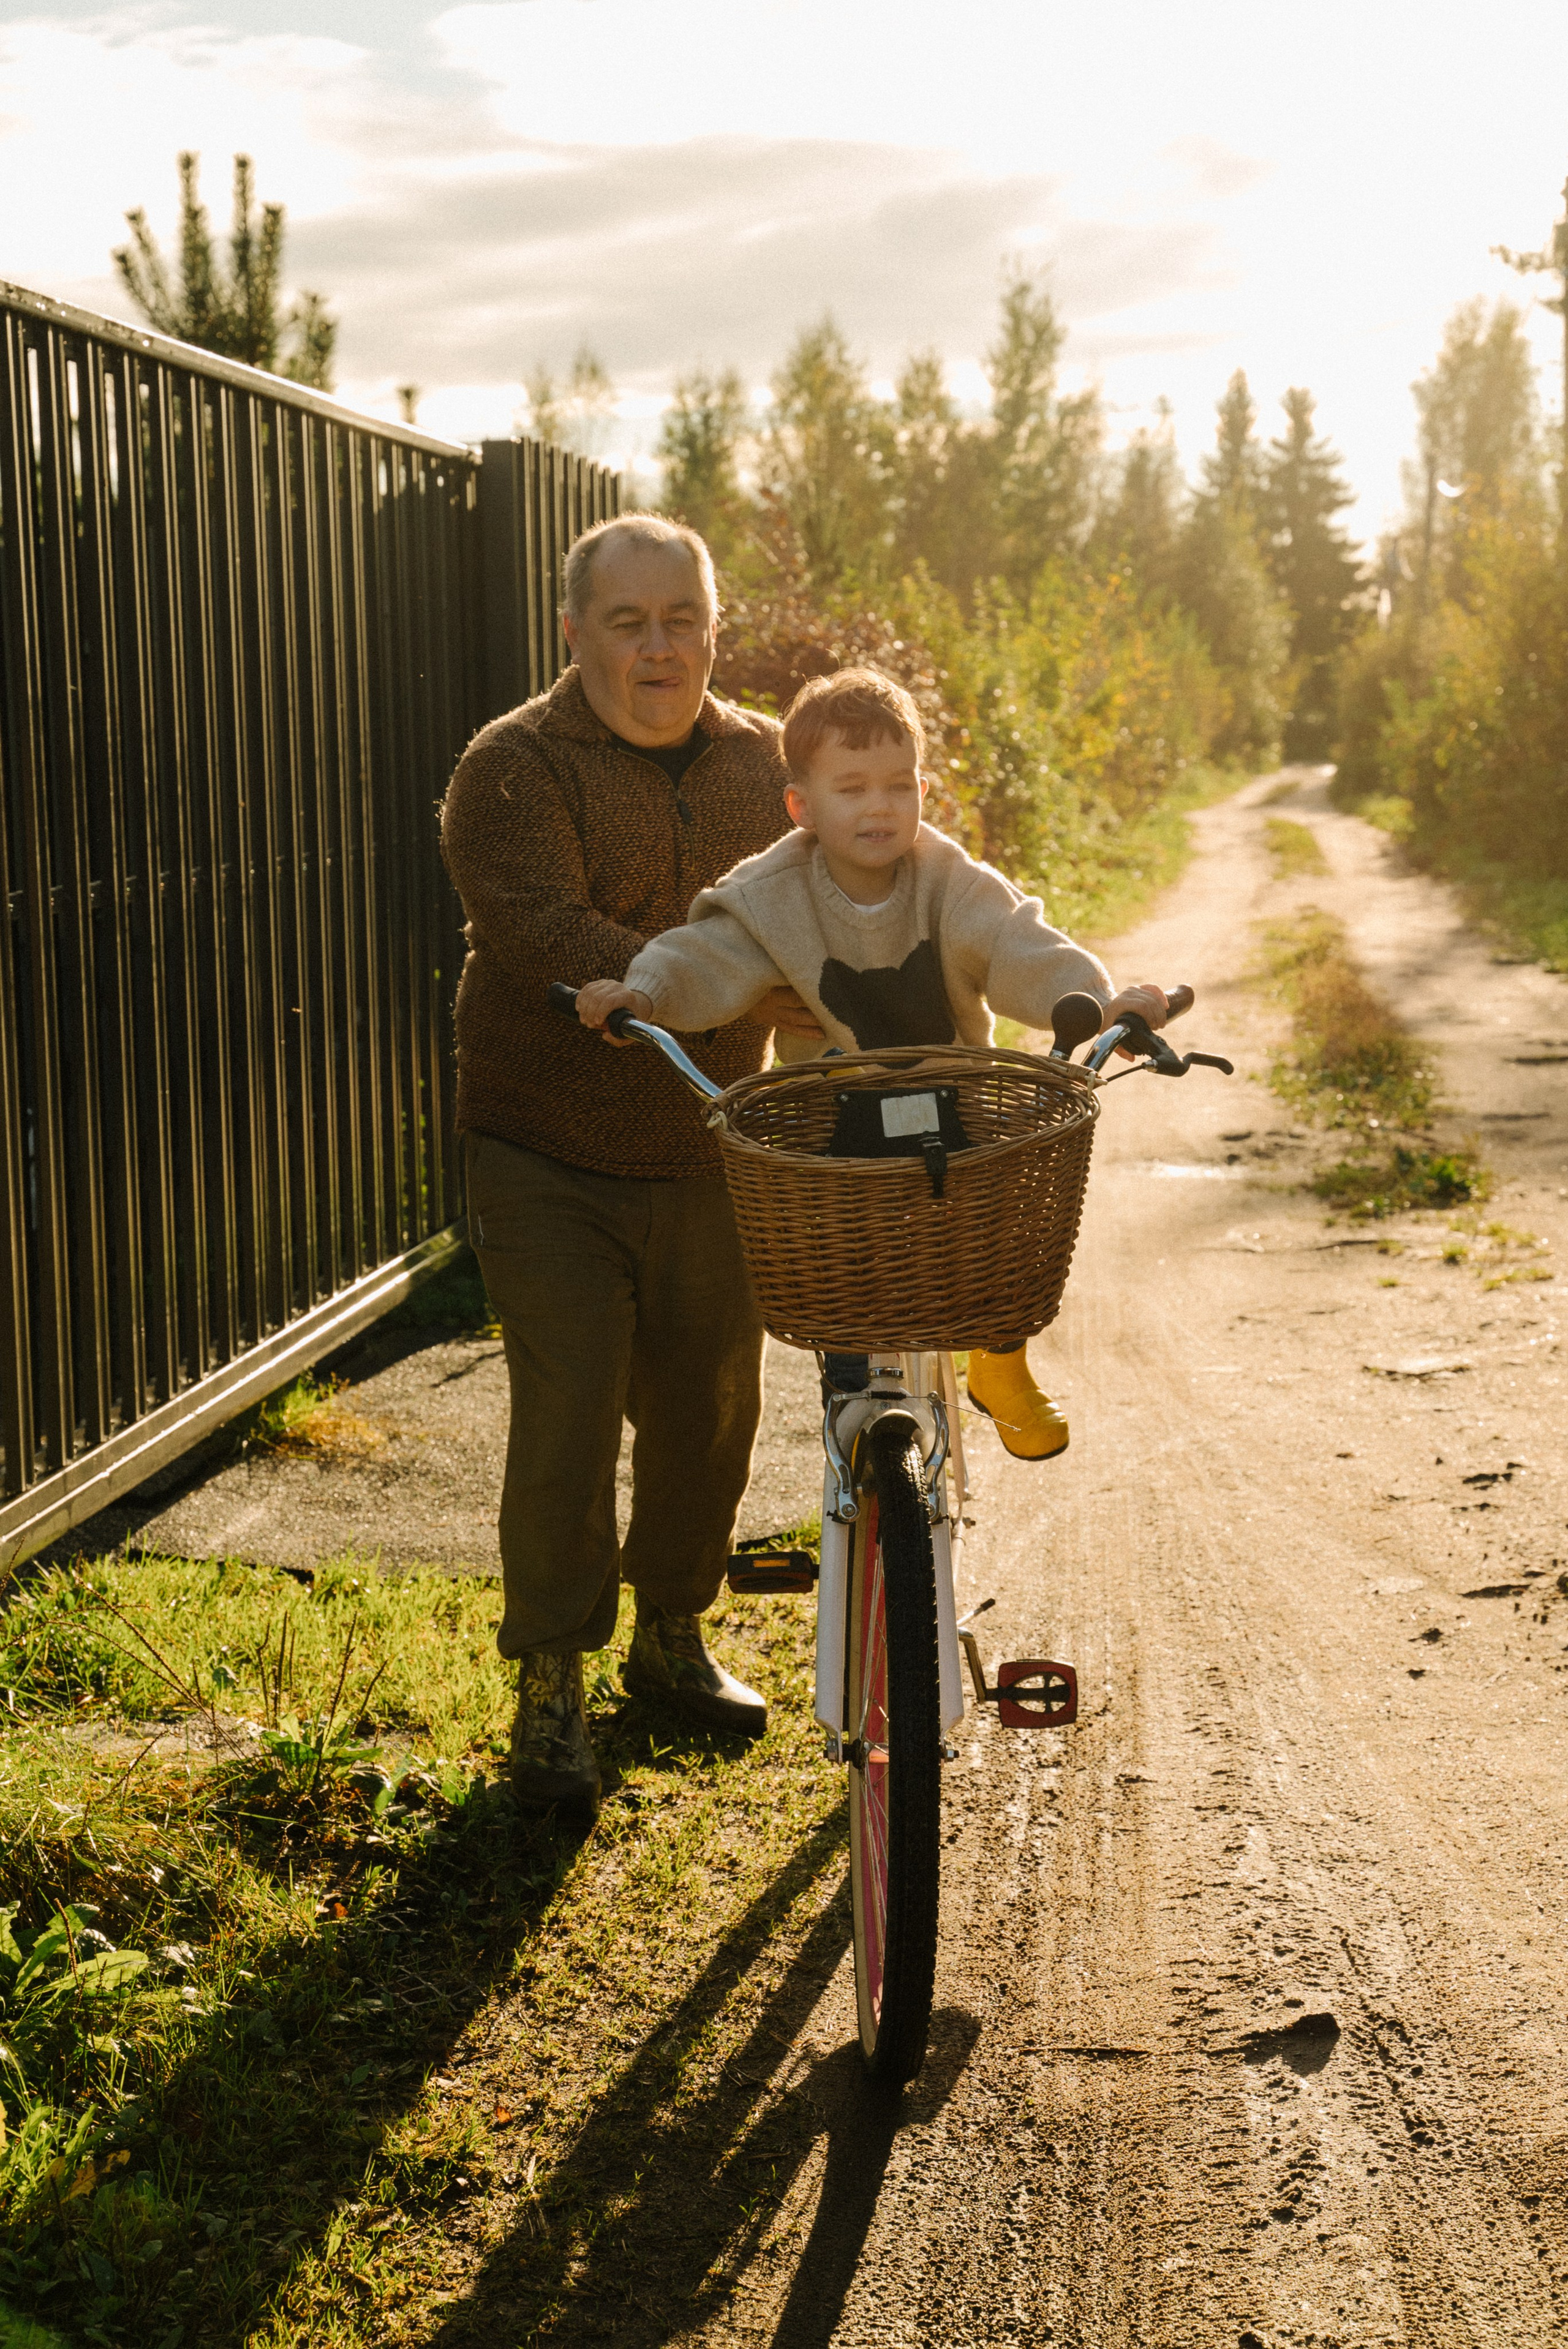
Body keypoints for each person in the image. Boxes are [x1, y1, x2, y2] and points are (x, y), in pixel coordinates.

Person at [440, 514, 822, 1819]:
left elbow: (838, 895)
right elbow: (542, 928)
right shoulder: (512, 765)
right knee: (565, 1409)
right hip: (546, 1144)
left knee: (710, 1404)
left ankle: (671, 1636)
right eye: (627, 621)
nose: (659, 648)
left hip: (714, 1139)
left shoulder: (771, 762)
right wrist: (732, 990)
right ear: (574, 631)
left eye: (682, 620)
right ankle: (550, 1681)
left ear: (713, 628)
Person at [576, 666, 1169, 1460]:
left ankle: (999, 1360)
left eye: (898, 786)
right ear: (802, 806)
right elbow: (707, 954)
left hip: (951, 1108)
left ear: (924, 789)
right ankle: (854, 1401)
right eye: (851, 789)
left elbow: (1017, 941)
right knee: (838, 1275)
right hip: (833, 1122)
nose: (879, 807)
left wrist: (1101, 1004)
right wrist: (643, 993)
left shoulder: (947, 878)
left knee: (1001, 1224)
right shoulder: (772, 892)